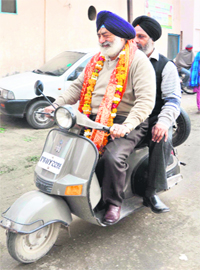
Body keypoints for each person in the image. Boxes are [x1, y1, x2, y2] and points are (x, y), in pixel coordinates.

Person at [44, 10, 156, 225]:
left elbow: (145, 102)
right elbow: (77, 87)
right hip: (92, 118)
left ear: (121, 37)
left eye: (107, 35)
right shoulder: (96, 60)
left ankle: (113, 202)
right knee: (69, 146)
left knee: (112, 157)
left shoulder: (138, 61)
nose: (102, 40)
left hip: (127, 121)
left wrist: (127, 126)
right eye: (99, 36)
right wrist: (56, 104)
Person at [132, 15, 181, 213]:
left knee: (160, 137)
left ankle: (151, 192)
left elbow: (173, 100)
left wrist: (163, 122)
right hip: (128, 117)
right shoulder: (125, 62)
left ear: (152, 39)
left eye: (141, 36)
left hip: (154, 118)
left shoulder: (166, 66)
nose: (135, 41)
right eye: (133, 36)